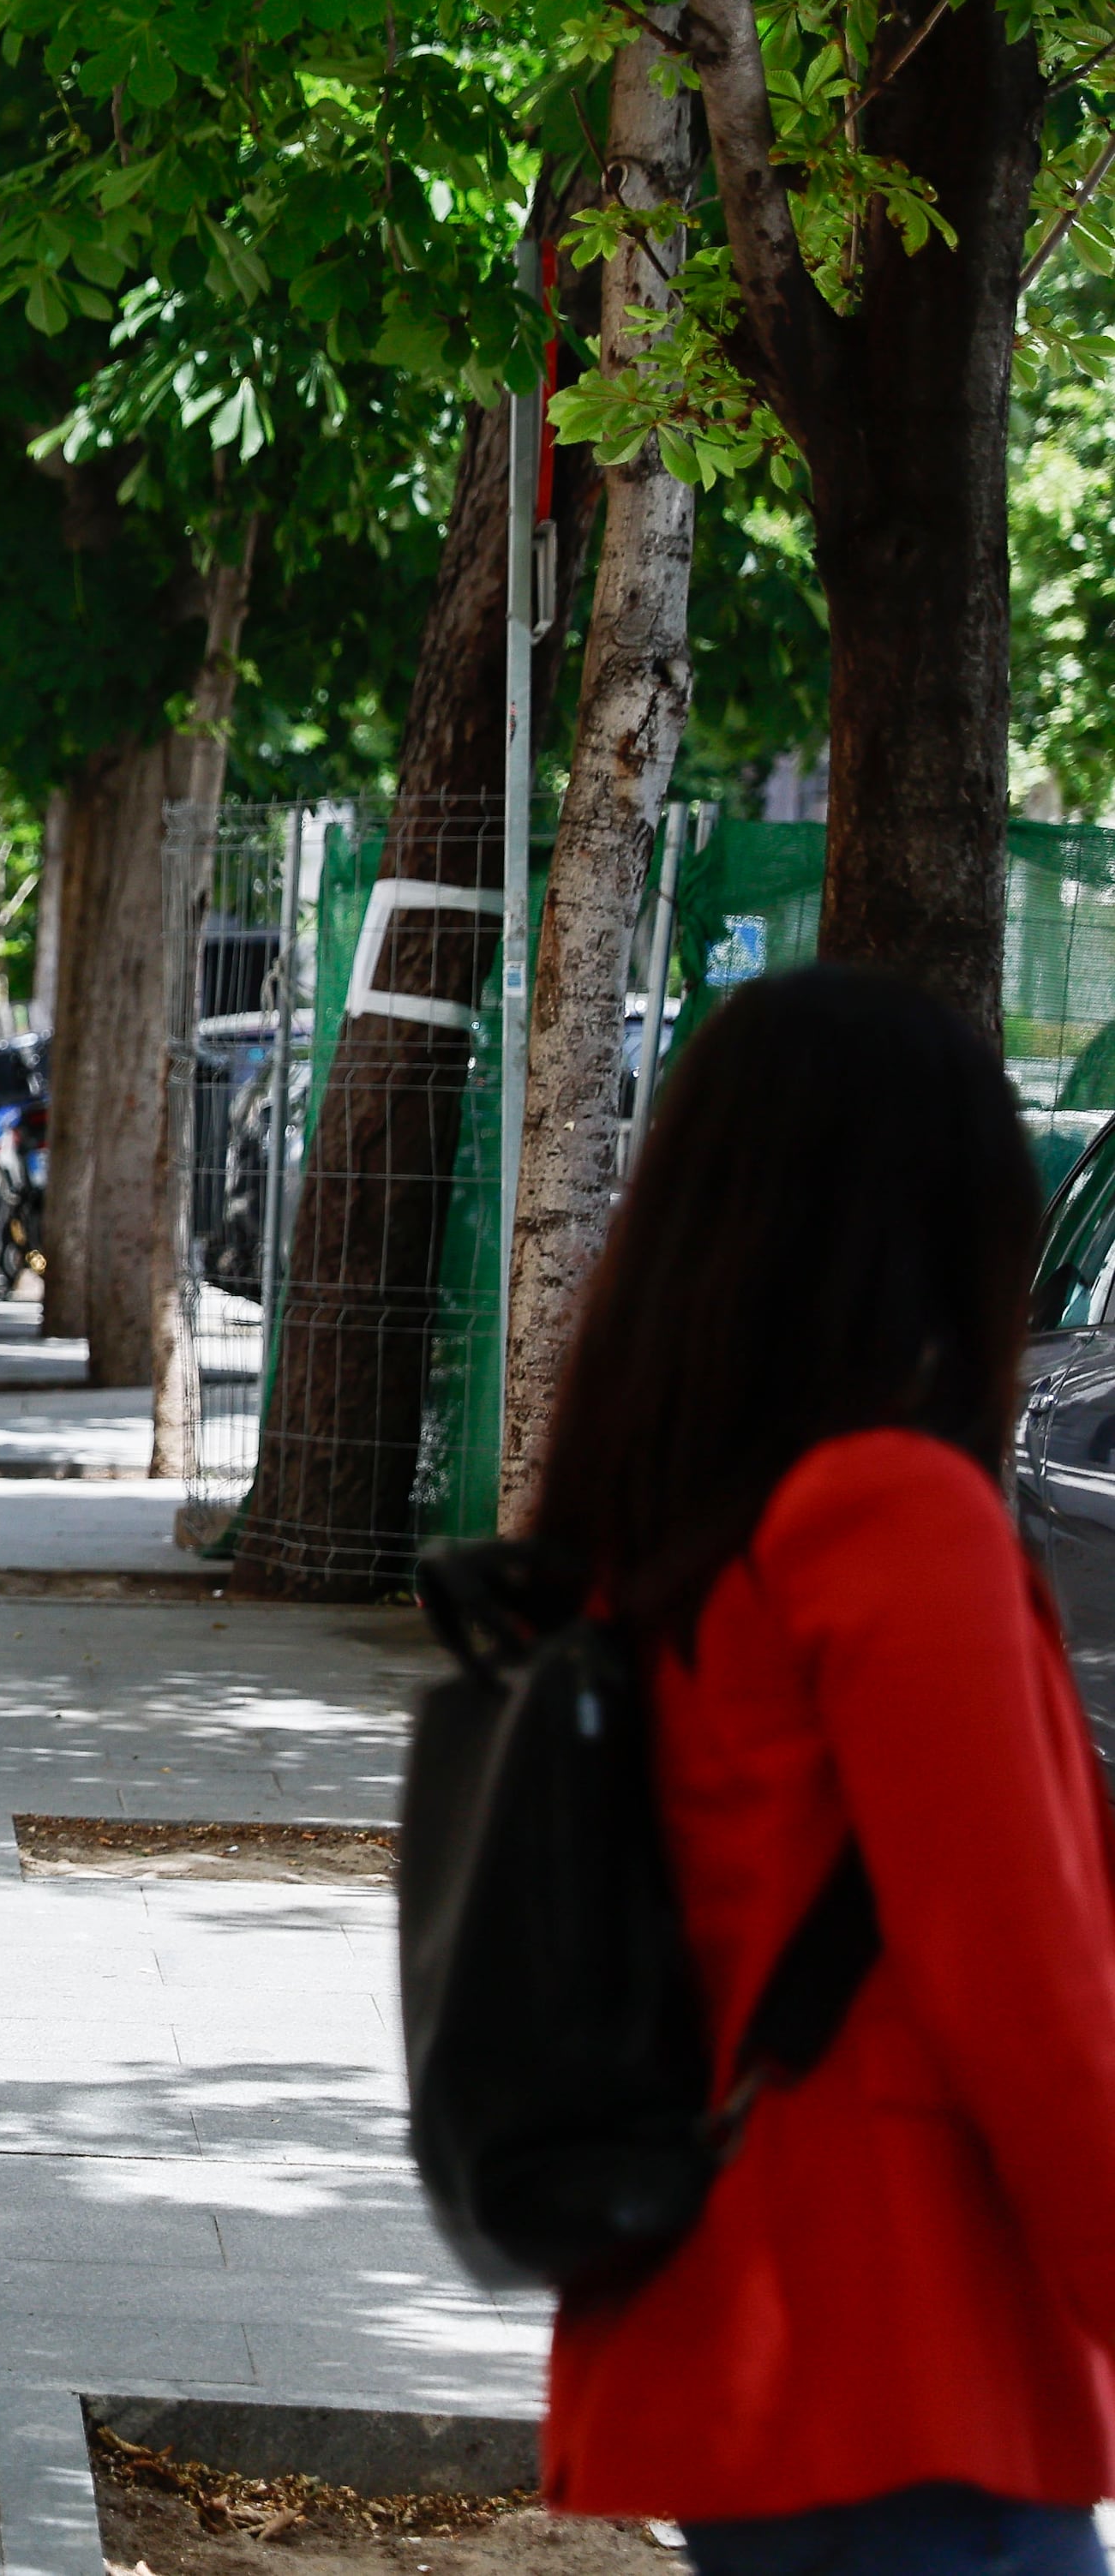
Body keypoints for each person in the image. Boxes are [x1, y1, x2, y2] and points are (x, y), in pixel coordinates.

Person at [532, 965, 1115, 2572]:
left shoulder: (663, 1527)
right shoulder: (892, 1517)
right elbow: (1030, 1993)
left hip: (756, 2328)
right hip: (908, 2347)